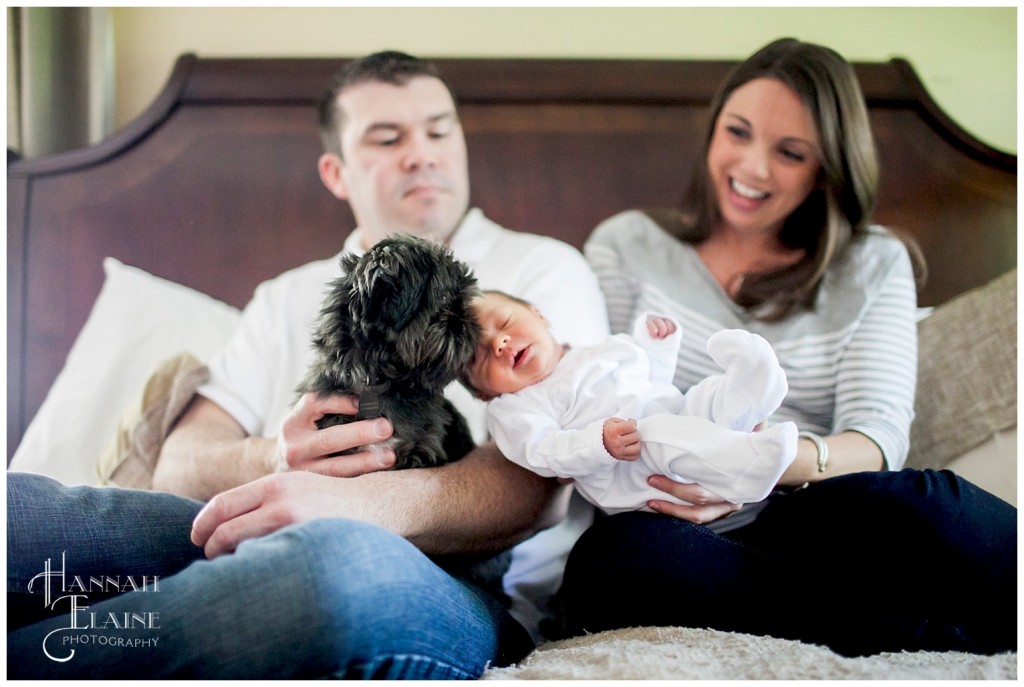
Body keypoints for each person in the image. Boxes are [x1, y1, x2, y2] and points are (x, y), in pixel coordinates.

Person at [7, 51, 610, 678]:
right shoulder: (286, 296)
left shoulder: (542, 270)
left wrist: (354, 506)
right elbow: (179, 463)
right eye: (387, 138)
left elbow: (537, 486)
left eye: (439, 130)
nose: (422, 154)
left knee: (332, 567)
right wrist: (275, 461)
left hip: (447, 581)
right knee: (23, 515)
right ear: (336, 171)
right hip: (252, 529)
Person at [558, 38, 1017, 657]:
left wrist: (758, 462)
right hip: (668, 526)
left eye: (790, 153)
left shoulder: (872, 263)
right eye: (738, 133)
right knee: (612, 562)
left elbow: (878, 438)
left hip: (811, 514)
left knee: (931, 504)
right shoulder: (628, 245)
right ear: (713, 129)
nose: (753, 168)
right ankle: (916, 634)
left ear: (827, 167)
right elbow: (590, 399)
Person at [463, 290, 798, 513]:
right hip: (628, 470)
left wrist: (656, 348)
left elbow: (651, 382)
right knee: (659, 432)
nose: (500, 343)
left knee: (706, 397)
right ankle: (744, 467)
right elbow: (542, 451)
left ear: (539, 315)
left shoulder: (595, 351)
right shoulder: (514, 407)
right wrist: (598, 443)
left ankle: (752, 387)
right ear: (484, 393)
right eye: (479, 358)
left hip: (673, 415)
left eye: (505, 323)